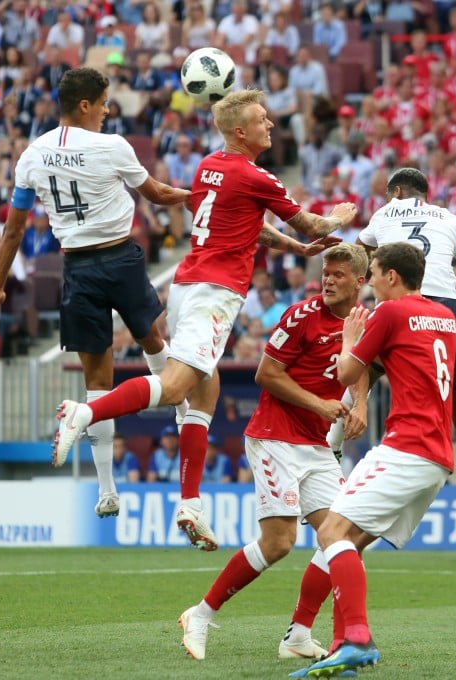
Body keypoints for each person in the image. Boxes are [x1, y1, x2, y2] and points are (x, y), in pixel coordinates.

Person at [43, 88, 355, 551]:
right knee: (173, 388)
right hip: (215, 291)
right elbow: (309, 223)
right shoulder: (256, 176)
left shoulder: (210, 166)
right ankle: (84, 411)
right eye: (262, 119)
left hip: (189, 284)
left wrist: (293, 248)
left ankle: (191, 504)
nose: (271, 124)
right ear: (240, 130)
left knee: (206, 393)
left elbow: (250, 224)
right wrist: (337, 217)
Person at [0, 67, 190, 521]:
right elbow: (154, 194)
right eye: (103, 102)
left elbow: (14, 227)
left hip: (76, 267)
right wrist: (196, 194)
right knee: (152, 338)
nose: (107, 110)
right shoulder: (112, 145)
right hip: (119, 258)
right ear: (85, 106)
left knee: (97, 383)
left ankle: (107, 489)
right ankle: (179, 406)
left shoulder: (32, 155)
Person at [178, 244, 369, 662]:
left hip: (315, 444)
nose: (329, 280)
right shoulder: (301, 316)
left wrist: (363, 403)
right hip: (274, 437)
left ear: (360, 282)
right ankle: (202, 613)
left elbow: (363, 362)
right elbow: (266, 374)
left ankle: (298, 635)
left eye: (339, 275)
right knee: (280, 542)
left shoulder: (362, 321)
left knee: (344, 536)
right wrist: (320, 405)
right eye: (326, 272)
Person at [299, 242, 456, 677]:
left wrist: (350, 340)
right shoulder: (443, 316)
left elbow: (346, 374)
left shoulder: (390, 312)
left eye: (372, 272)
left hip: (407, 446)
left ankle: (356, 639)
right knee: (345, 544)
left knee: (331, 531)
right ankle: (340, 648)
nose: (367, 281)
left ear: (391, 276)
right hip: (438, 454)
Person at [351, 167, 456, 550]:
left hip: (399, 307)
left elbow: (357, 259)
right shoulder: (450, 219)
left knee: (358, 380)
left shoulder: (384, 215)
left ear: (397, 191)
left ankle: (333, 469)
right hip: (448, 314)